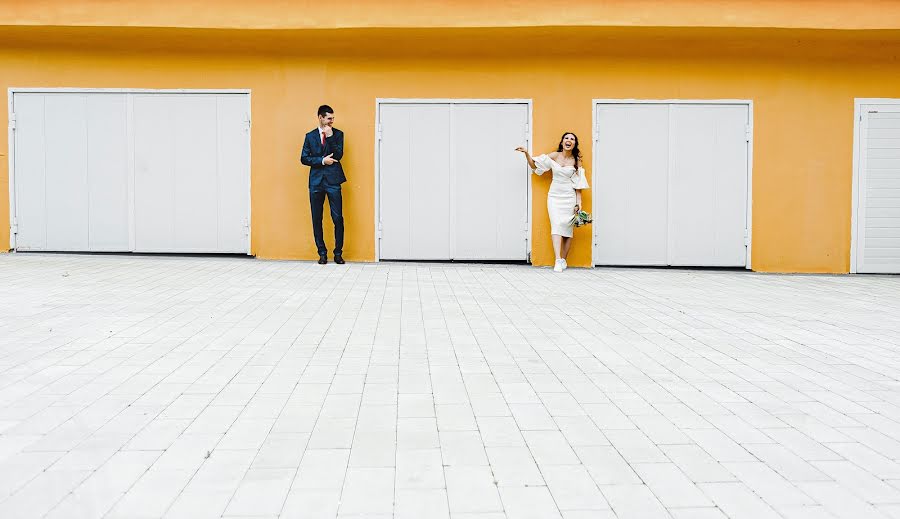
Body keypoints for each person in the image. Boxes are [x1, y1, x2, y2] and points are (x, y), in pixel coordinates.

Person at [516, 132, 589, 272]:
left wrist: (579, 202)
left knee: (567, 229)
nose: (569, 140)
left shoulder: (576, 160)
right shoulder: (554, 156)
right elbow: (535, 166)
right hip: (554, 196)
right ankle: (557, 260)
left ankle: (563, 260)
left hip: (569, 197)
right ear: (562, 142)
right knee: (556, 225)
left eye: (572, 139)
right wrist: (526, 153)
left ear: (574, 144)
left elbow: (578, 183)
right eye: (566, 138)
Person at [301, 104, 347, 264]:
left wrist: (330, 136)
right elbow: (304, 158)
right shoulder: (310, 136)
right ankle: (322, 252)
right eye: (329, 118)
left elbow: (339, 155)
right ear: (320, 117)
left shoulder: (338, 134)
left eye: (333, 118)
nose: (332, 121)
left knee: (338, 218)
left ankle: (338, 253)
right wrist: (322, 160)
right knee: (316, 218)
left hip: (333, 181)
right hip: (316, 183)